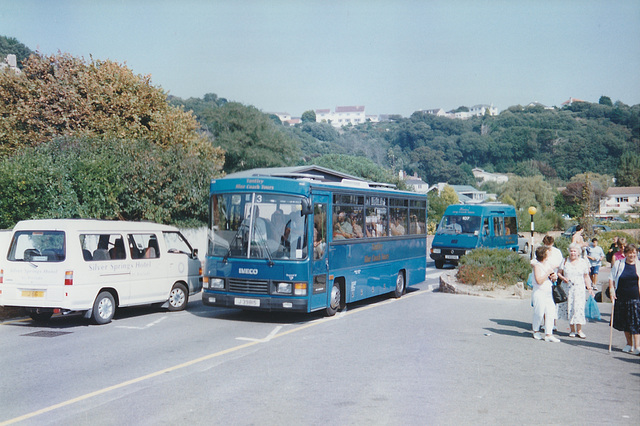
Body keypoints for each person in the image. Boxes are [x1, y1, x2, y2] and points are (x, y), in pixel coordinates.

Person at [608, 244, 640, 355]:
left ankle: (637, 346)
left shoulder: (639, 265)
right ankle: (629, 344)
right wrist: (612, 291)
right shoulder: (619, 263)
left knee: (636, 322)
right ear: (625, 254)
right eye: (630, 253)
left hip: (636, 297)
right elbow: (611, 278)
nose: (632, 255)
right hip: (621, 296)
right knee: (626, 321)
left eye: (634, 253)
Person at [558, 243, 594, 338]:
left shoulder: (583, 262)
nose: (573, 253)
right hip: (568, 289)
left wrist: (589, 288)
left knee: (578, 309)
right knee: (569, 308)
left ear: (578, 252)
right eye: (571, 251)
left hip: (579, 289)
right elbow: (559, 273)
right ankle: (572, 330)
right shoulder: (565, 261)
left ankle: (579, 330)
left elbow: (586, 276)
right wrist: (563, 278)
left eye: (574, 251)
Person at [531, 246, 560, 342]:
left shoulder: (548, 264)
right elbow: (539, 280)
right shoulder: (537, 266)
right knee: (539, 312)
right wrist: (547, 273)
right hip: (539, 292)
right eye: (548, 253)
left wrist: (554, 277)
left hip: (548, 291)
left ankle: (549, 334)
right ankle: (536, 331)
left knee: (550, 312)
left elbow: (552, 277)